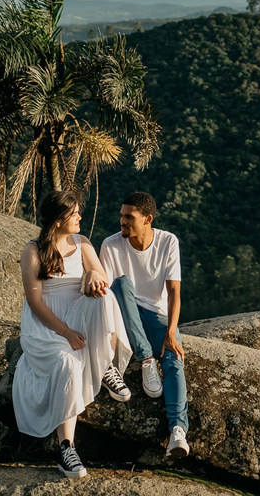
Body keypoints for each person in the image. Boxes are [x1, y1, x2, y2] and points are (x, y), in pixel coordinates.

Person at [12, 190, 133, 478]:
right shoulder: (33, 251)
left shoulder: (82, 244)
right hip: (47, 327)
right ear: (57, 220)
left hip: (78, 313)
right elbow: (35, 303)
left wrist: (93, 275)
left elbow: (101, 278)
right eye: (74, 213)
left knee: (104, 297)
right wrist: (65, 332)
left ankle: (105, 365)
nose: (79, 217)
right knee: (67, 364)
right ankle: (66, 447)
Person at [99, 191, 190, 458]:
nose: (122, 221)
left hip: (155, 315)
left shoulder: (167, 242)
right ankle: (146, 358)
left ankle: (177, 431)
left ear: (147, 219)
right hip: (123, 314)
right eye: (121, 216)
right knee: (122, 284)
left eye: (129, 217)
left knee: (174, 357)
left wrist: (171, 332)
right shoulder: (111, 245)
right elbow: (107, 294)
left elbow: (174, 292)